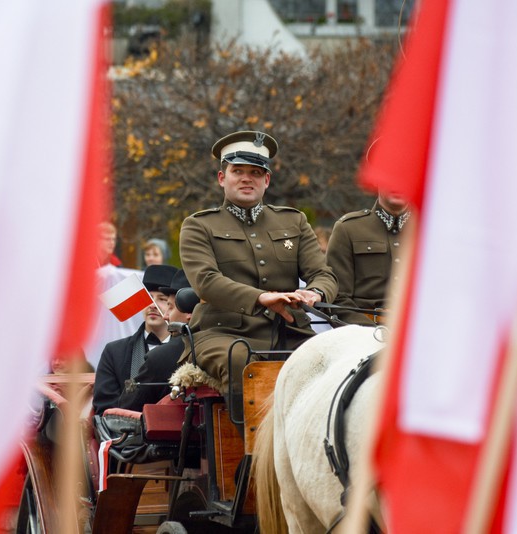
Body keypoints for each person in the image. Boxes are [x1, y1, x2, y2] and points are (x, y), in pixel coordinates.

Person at [177, 130, 338, 417]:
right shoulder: (198, 226)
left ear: (266, 180)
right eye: (237, 171)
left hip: (289, 329)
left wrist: (316, 292)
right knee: (240, 359)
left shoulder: (293, 221)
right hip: (222, 332)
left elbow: (323, 273)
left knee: (333, 358)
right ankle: (251, 456)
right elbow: (206, 282)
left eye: (255, 172)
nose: (246, 178)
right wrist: (262, 297)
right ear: (221, 178)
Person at [93, 264, 177, 415]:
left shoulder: (187, 350)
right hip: (127, 434)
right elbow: (104, 408)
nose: (152, 305)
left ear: (173, 306)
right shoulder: (114, 352)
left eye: (162, 299)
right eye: (148, 297)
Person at [325, 189, 410, 325]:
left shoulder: (432, 229)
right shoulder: (349, 228)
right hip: (363, 335)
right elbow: (337, 297)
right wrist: (368, 334)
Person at [117, 269, 197, 411]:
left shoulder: (161, 358)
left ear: (189, 313)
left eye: (170, 307)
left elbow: (127, 408)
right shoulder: (230, 345)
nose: (166, 315)